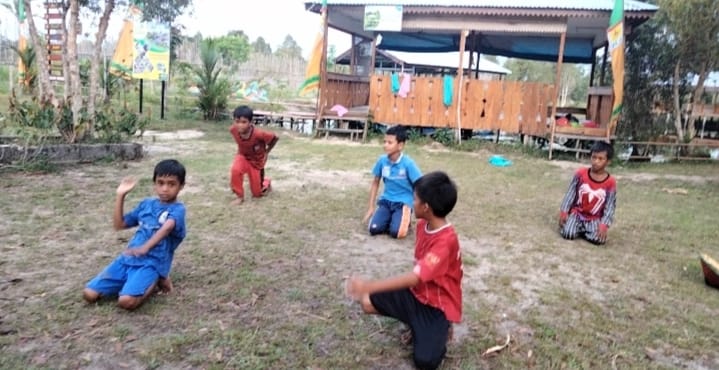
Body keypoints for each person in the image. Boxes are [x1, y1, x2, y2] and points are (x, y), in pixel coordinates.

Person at [347, 171, 462, 370]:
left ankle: (439, 329)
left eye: (415, 198)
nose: (411, 201)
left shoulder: (445, 242)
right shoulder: (423, 225)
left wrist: (368, 285)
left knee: (425, 362)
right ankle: (416, 324)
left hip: (437, 307)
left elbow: (415, 277)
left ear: (426, 207)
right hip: (417, 295)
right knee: (366, 303)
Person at [83, 159, 187, 310]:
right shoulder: (146, 205)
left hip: (151, 262)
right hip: (128, 258)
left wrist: (145, 247)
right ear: (154, 183)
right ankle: (133, 283)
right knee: (89, 294)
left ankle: (156, 279)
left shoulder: (178, 209)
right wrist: (120, 195)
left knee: (126, 302)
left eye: (171, 184)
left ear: (181, 186)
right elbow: (119, 225)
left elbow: (166, 228)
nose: (165, 188)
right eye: (160, 183)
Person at [363, 125, 422, 239]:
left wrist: (417, 206)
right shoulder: (382, 161)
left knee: (396, 233)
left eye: (390, 143)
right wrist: (371, 207)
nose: (385, 145)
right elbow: (375, 183)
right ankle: (392, 218)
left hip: (403, 203)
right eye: (384, 141)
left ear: (400, 145)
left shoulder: (408, 163)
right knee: (373, 229)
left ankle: (404, 220)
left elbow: (420, 184)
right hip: (386, 201)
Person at [558, 141, 617, 245]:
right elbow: (570, 194)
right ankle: (574, 227)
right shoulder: (580, 174)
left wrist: (604, 224)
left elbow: (610, 206)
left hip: (594, 218)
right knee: (568, 234)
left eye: (600, 159)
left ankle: (583, 230)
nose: (596, 161)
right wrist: (564, 211)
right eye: (594, 157)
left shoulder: (610, 182)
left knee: (599, 239)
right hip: (577, 213)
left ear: (608, 161)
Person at [229, 105, 279, 205]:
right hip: (243, 156)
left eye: (244, 122)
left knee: (257, 194)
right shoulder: (233, 130)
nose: (240, 125)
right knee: (235, 170)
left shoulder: (258, 134)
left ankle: (266, 183)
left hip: (256, 162)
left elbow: (275, 137)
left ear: (250, 122)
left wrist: (267, 151)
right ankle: (239, 196)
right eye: (237, 122)